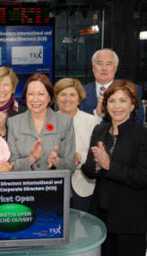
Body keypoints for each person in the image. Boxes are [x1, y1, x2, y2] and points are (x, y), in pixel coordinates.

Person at [82, 80, 147, 256]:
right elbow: (88, 171)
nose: (116, 106)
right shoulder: (99, 131)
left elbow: (142, 177)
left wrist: (109, 165)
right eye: (111, 101)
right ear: (106, 105)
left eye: (122, 101)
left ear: (133, 106)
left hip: (130, 221)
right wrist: (96, 165)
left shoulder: (142, 136)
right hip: (101, 217)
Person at [7, 73, 76, 172]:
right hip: (25, 185)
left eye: (41, 94)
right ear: (25, 96)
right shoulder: (14, 123)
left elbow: (71, 166)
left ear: (49, 97)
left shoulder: (65, 122)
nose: (35, 99)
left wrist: (57, 162)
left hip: (54, 184)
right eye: (30, 94)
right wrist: (31, 159)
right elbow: (11, 165)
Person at [54, 78, 100, 211]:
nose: (67, 99)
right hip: (56, 185)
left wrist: (81, 157)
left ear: (79, 99)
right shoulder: (47, 122)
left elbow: (98, 152)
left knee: (84, 227)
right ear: (57, 98)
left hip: (84, 184)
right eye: (63, 94)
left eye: (72, 95)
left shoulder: (92, 121)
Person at [79, 48, 145, 124]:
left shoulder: (131, 89)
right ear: (93, 68)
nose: (104, 68)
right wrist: (97, 114)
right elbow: (78, 123)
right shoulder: (81, 91)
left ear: (115, 69)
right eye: (100, 63)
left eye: (109, 64)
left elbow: (138, 121)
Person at [0, 66, 26, 139]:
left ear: (13, 89)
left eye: (6, 85)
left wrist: (3, 129)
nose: (2, 89)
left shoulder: (24, 113)